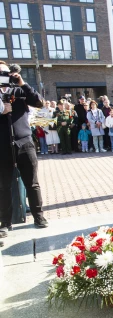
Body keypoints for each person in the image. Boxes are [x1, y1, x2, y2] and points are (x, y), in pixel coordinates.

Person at [0, 60, 48, 237]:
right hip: (2, 145)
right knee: (3, 185)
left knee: (32, 182)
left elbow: (39, 102)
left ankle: (38, 216)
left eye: (6, 72)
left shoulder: (18, 90)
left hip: (24, 142)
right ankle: (5, 222)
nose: (4, 76)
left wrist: (22, 82)